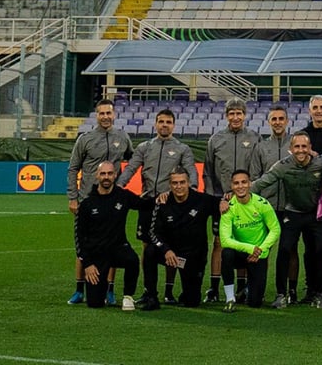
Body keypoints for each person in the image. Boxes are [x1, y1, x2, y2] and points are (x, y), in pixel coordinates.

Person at [117, 109, 197, 307]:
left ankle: (169, 290)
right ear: (155, 124)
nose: (164, 125)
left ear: (174, 125)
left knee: (171, 247)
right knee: (147, 247)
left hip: (169, 205)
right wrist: (119, 186)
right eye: (161, 121)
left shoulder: (182, 149)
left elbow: (191, 172)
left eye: (168, 122)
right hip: (148, 203)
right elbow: (131, 168)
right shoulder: (145, 147)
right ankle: (149, 290)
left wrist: (190, 192)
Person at [251, 132, 322, 307]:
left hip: (314, 214)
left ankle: (319, 293)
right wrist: (237, 194)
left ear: (310, 149)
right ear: (290, 149)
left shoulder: (321, 163)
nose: (301, 150)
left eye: (304, 147)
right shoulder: (282, 166)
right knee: (285, 249)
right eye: (297, 147)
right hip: (292, 213)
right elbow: (262, 182)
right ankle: (281, 294)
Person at [67, 98, 133, 305]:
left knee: (112, 244)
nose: (105, 117)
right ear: (97, 115)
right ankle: (79, 289)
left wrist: (122, 182)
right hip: (87, 200)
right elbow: (73, 168)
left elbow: (132, 160)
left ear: (114, 115)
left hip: (112, 200)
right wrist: (73, 197)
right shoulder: (85, 139)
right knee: (83, 244)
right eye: (102, 113)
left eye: (109, 113)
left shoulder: (122, 137)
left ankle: (110, 290)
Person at [204, 98, 260, 303]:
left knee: (244, 241)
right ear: (226, 115)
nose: (235, 117)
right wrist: (215, 197)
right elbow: (208, 171)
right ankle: (214, 288)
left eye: (239, 113)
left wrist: (248, 193)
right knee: (219, 242)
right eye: (231, 113)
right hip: (221, 200)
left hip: (246, 198)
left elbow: (257, 169)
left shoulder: (254, 138)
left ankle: (243, 287)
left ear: (245, 115)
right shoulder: (215, 139)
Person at [74, 161, 149, 310]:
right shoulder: (88, 203)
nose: (106, 177)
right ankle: (99, 291)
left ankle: (128, 296)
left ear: (115, 175)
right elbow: (79, 237)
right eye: (103, 174)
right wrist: (87, 264)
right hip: (97, 255)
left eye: (109, 173)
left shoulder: (123, 196)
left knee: (133, 260)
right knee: (95, 303)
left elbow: (146, 205)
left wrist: (164, 197)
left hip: (118, 249)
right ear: (97, 176)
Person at [144, 167, 223, 309]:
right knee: (150, 251)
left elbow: (221, 202)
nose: (178, 186)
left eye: (182, 182)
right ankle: (151, 296)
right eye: (175, 183)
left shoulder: (202, 200)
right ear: (170, 185)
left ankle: (188, 292)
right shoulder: (163, 203)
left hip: (193, 257)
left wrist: (224, 201)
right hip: (170, 254)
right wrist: (166, 250)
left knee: (191, 302)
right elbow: (153, 233)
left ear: (188, 183)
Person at [247, 105, 294, 306]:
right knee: (261, 250)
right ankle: (257, 290)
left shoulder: (296, 144)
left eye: (281, 118)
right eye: (273, 119)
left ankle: (288, 291)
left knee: (288, 250)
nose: (277, 122)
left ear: (287, 121)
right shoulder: (261, 147)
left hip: (291, 207)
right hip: (266, 208)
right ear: (268, 122)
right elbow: (254, 179)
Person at [219, 169, 281, 312]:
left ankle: (247, 289)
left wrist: (260, 250)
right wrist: (250, 249)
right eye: (236, 183)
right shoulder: (228, 208)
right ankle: (230, 299)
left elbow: (275, 229)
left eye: (244, 182)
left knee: (255, 302)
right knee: (226, 253)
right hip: (241, 253)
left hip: (259, 254)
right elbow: (225, 241)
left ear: (250, 184)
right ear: (232, 186)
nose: (240, 186)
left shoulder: (262, 204)